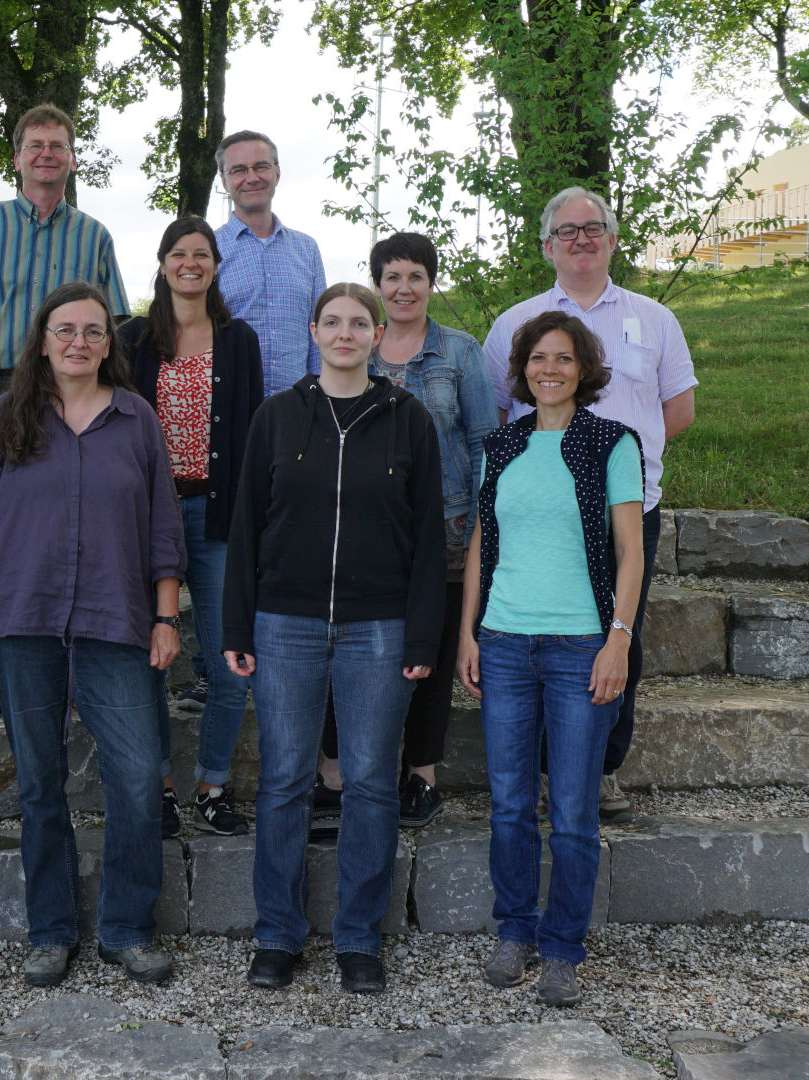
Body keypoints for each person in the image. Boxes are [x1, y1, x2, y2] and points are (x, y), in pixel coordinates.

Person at [0, 282, 186, 988]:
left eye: (92, 330)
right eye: (65, 330)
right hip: (22, 620)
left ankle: (126, 929)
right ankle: (49, 932)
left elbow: (163, 525)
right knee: (40, 784)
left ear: (109, 344)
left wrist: (167, 616)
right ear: (43, 340)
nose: (79, 341)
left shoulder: (136, 418)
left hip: (119, 622)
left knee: (140, 781)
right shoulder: (6, 415)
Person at [222, 283, 445, 995]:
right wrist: (236, 622)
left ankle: (358, 940)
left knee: (373, 784)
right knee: (285, 778)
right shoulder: (278, 417)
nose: (345, 334)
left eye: (359, 323)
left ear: (378, 334)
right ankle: (278, 937)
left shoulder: (409, 420)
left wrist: (422, 635)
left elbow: (428, 541)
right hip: (284, 622)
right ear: (313, 332)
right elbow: (246, 527)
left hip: (378, 626)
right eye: (332, 322)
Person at [481, 185, 696, 822]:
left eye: (593, 227)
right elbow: (498, 412)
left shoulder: (654, 318)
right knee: (539, 633)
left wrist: (614, 462)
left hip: (625, 507)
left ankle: (599, 770)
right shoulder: (514, 323)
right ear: (547, 245)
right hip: (538, 515)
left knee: (618, 630)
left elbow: (678, 408)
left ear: (611, 237)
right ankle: (547, 766)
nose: (581, 238)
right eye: (567, 230)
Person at [459, 310, 644, 1008]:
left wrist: (619, 637)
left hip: (581, 648)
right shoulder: (500, 445)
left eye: (564, 358)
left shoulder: (611, 444)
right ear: (523, 369)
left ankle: (564, 946)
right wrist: (467, 634)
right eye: (539, 358)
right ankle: (514, 931)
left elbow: (631, 551)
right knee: (508, 805)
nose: (550, 369)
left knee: (571, 811)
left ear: (584, 368)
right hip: (504, 643)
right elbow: (483, 544)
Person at [0, 103, 130, 725]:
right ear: (17, 159)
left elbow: (110, 323)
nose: (47, 154)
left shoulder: (93, 234)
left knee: (57, 524)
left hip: (65, 391)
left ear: (72, 158)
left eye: (58, 145)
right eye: (35, 145)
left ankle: (63, 659)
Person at [315, 232, 496, 832]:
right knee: (351, 655)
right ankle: (335, 773)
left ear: (431, 283)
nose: (403, 288)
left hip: (446, 532)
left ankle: (421, 777)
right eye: (392, 277)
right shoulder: (356, 346)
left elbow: (480, 442)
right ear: (376, 285)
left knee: (433, 659)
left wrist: (477, 525)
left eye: (415, 276)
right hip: (367, 537)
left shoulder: (460, 353)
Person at [118, 217, 264, 838]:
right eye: (179, 254)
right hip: (144, 518)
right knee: (144, 659)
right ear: (162, 261)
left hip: (217, 516)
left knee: (232, 657)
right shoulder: (130, 339)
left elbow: (255, 438)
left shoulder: (238, 341)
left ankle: (211, 785)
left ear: (215, 264)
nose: (190, 264)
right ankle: (160, 788)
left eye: (201, 254)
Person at [213, 130, 327, 396]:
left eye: (261, 167)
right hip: (231, 407)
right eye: (239, 170)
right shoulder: (209, 251)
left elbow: (320, 334)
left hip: (298, 408)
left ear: (277, 173)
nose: (252, 178)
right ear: (224, 180)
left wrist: (322, 398)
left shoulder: (307, 249)